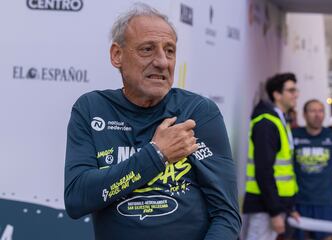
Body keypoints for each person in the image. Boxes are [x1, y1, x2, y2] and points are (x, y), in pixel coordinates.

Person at [63, 3, 241, 240]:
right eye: (147, 49)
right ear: (117, 55)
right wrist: (156, 155)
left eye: (170, 51)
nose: (162, 62)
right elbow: (77, 199)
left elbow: (227, 215)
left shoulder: (198, 112)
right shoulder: (93, 109)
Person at [242, 73, 300, 240]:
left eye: (296, 90)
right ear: (277, 94)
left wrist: (288, 208)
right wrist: (275, 212)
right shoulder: (267, 123)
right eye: (291, 90)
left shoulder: (280, 120)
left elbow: (283, 170)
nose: (296, 94)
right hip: (264, 206)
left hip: (274, 204)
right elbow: (264, 171)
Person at [292, 99, 332, 240]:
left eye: (320, 111)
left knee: (327, 237)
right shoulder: (294, 135)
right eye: (313, 111)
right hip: (300, 200)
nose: (317, 115)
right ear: (305, 114)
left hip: (325, 200)